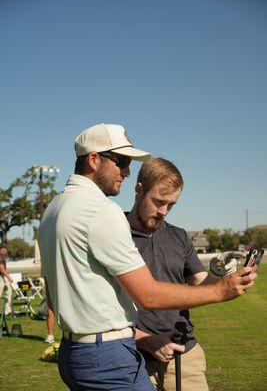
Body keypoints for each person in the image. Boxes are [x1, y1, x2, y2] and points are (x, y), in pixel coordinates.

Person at [38, 123, 256, 391]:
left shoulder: (53, 209)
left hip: (79, 351)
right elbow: (148, 296)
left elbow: (52, 294)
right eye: (122, 161)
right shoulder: (102, 212)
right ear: (94, 159)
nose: (127, 171)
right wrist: (222, 291)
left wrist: (220, 275)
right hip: (108, 355)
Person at [126, 157, 245, 391]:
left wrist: (217, 273)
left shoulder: (178, 236)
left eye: (171, 205)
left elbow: (201, 288)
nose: (164, 212)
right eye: (159, 202)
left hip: (184, 356)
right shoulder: (113, 232)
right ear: (139, 189)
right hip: (131, 359)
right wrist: (146, 340)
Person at [0, 245, 13, 316]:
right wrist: (8, 277)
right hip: (1, 277)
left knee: (9, 292)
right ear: (1, 249)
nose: (6, 251)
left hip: (3, 277)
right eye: (4, 249)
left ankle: (7, 311)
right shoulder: (0, 256)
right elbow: (1, 269)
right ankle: (7, 311)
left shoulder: (3, 256)